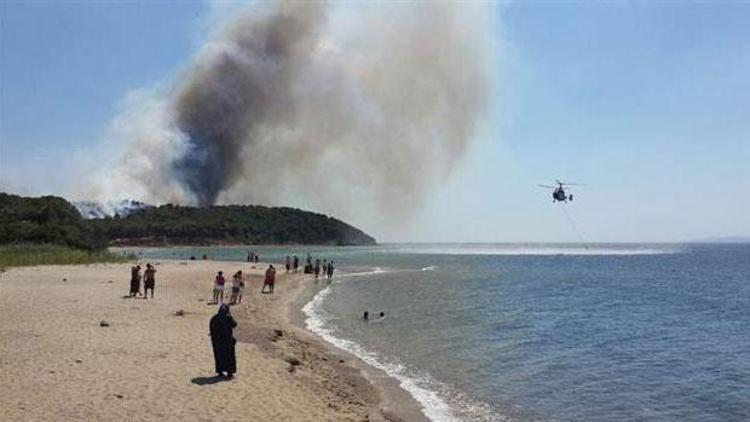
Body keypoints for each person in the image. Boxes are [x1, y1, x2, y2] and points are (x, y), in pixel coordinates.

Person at [209, 304, 237, 379]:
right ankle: (229, 373)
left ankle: (220, 371)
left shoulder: (214, 318)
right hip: (227, 341)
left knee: (219, 356)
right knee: (229, 357)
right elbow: (234, 325)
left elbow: (211, 329)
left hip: (217, 341)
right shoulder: (228, 318)